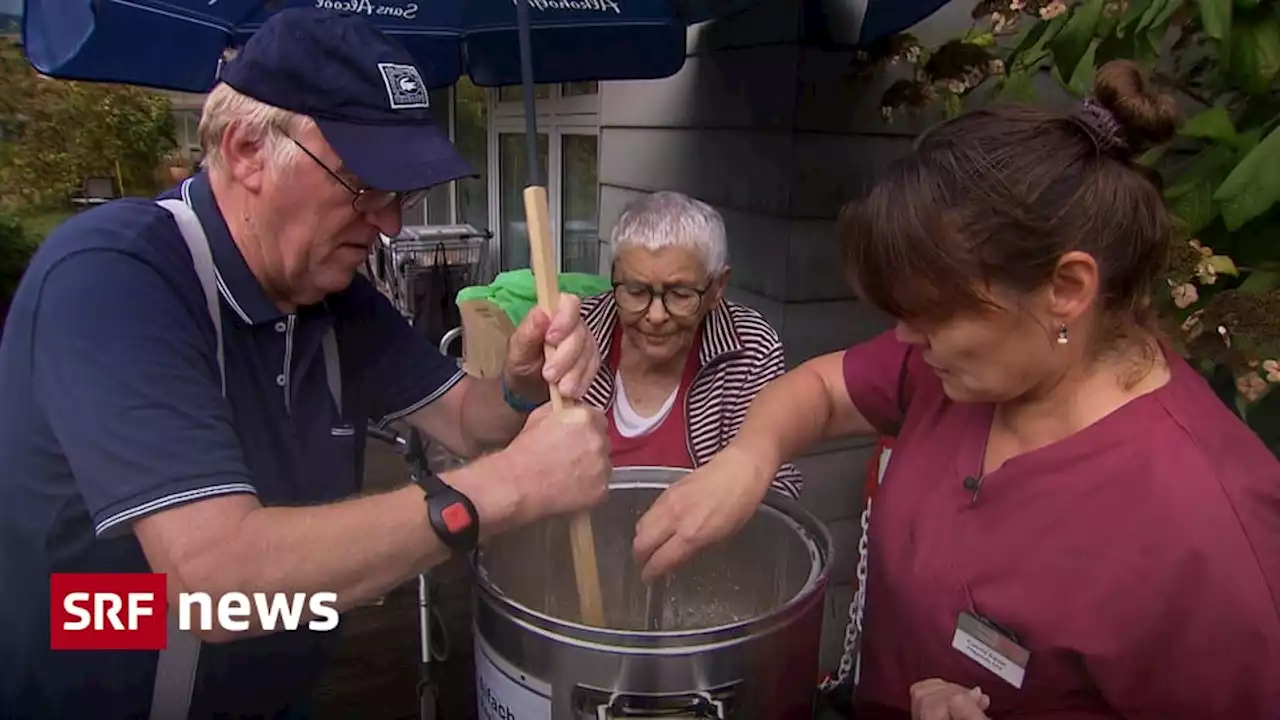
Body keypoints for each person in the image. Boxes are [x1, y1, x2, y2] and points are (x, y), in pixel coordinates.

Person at [0, 9, 609, 719]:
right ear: (248, 151)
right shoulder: (112, 275)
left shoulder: (330, 295)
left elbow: (470, 423)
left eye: (400, 194)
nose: (389, 225)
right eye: (362, 186)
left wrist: (520, 384)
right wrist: (507, 489)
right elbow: (210, 582)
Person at [631, 61, 1280, 719]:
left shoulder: (1211, 537)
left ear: (1066, 289)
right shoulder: (962, 368)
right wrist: (748, 459)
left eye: (932, 311)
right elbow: (822, 390)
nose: (904, 338)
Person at [579, 191, 802, 497]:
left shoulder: (750, 348)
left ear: (717, 287)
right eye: (635, 291)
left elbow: (777, 487)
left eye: (680, 295)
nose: (656, 316)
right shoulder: (581, 330)